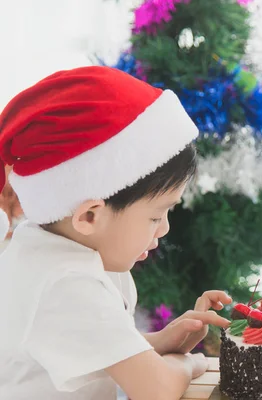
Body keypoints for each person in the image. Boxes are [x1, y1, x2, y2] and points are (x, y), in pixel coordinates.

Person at [0, 66, 231, 400]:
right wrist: (189, 365)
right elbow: (157, 391)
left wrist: (156, 342)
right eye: (156, 215)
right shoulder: (66, 281)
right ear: (91, 216)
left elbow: (87, 350)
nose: (164, 228)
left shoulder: (46, 249)